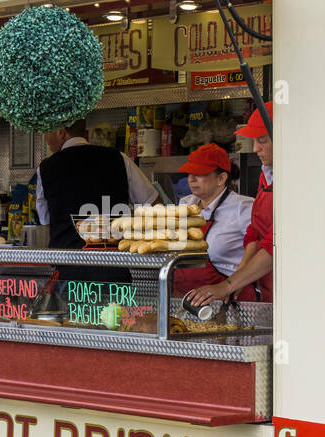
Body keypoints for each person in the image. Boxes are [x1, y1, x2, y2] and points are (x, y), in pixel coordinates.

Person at [186, 103, 274, 306]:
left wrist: (227, 285)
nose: (255, 149)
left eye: (262, 141)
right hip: (266, 290)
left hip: (292, 289)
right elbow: (256, 232)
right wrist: (238, 279)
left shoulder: (297, 181)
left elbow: (275, 244)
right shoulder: (267, 176)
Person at [35, 118, 158, 249]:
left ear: (61, 133)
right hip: (116, 261)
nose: (46, 138)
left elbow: (45, 220)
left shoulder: (45, 168)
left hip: (68, 262)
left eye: (48, 132)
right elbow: (153, 203)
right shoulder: (119, 158)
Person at [171, 144, 255, 297]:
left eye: (200, 173)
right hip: (184, 299)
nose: (192, 179)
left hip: (228, 301)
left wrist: (233, 284)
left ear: (221, 178)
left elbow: (257, 247)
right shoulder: (185, 205)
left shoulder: (243, 208)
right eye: (190, 173)